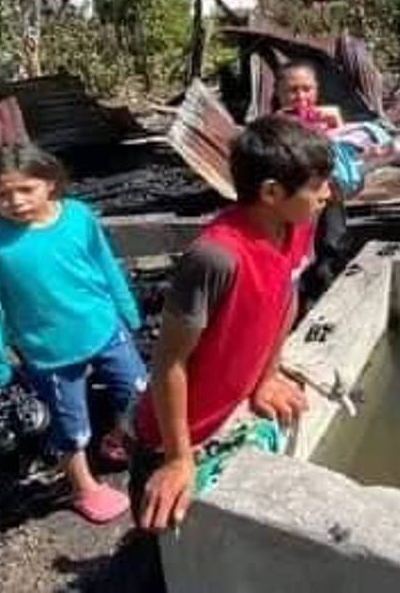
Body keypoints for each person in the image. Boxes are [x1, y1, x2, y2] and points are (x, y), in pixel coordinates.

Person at [131, 115, 332, 533]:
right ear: (272, 192)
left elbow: (286, 295)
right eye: (317, 186)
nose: (327, 194)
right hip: (175, 435)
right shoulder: (216, 258)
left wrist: (268, 376)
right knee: (160, 548)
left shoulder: (295, 226)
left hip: (230, 412)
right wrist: (177, 458)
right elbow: (169, 363)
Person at [0, 143, 145, 524]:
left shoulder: (78, 217)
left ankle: (117, 438)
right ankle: (83, 486)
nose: (14, 201)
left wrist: (126, 307)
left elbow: (104, 264)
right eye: (1, 194)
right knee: (70, 425)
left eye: (25, 189)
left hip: (104, 326)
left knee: (136, 391)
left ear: (49, 183)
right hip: (50, 351)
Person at [274, 61, 349, 310]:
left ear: (317, 90)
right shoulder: (274, 126)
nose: (301, 96)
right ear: (279, 92)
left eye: (307, 89)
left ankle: (325, 304)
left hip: (329, 200)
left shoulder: (326, 119)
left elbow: (346, 155)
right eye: (292, 90)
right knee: (296, 257)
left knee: (330, 247)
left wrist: (337, 124)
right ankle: (295, 307)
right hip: (295, 203)